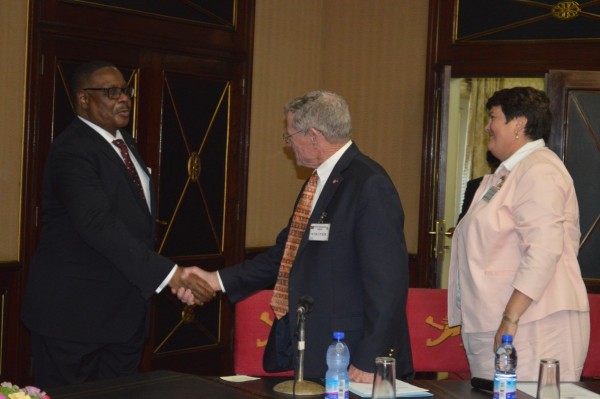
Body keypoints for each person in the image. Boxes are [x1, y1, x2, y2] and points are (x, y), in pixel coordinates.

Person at [192, 91, 413, 382]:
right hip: (320, 348)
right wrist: (215, 280)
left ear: (312, 135)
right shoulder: (319, 182)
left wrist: (371, 358)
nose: (289, 144)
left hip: (354, 354)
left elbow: (389, 283)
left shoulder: (369, 184)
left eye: (289, 135)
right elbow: (287, 254)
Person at [21, 61, 215, 388]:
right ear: (84, 99)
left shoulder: (125, 143)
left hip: (123, 317)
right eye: (111, 92)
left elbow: (133, 223)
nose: (124, 98)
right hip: (73, 319)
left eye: (126, 90)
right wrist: (170, 275)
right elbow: (98, 224)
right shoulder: (73, 150)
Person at [447, 86, 590, 381]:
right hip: (498, 322)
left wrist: (510, 318)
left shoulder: (540, 170)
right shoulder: (507, 173)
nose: (487, 126)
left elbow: (543, 251)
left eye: (493, 117)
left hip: (532, 325)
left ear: (519, 124)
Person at [456, 150, 500, 223]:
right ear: (490, 164)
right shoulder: (474, 184)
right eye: (496, 166)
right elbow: (465, 215)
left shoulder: (513, 183)